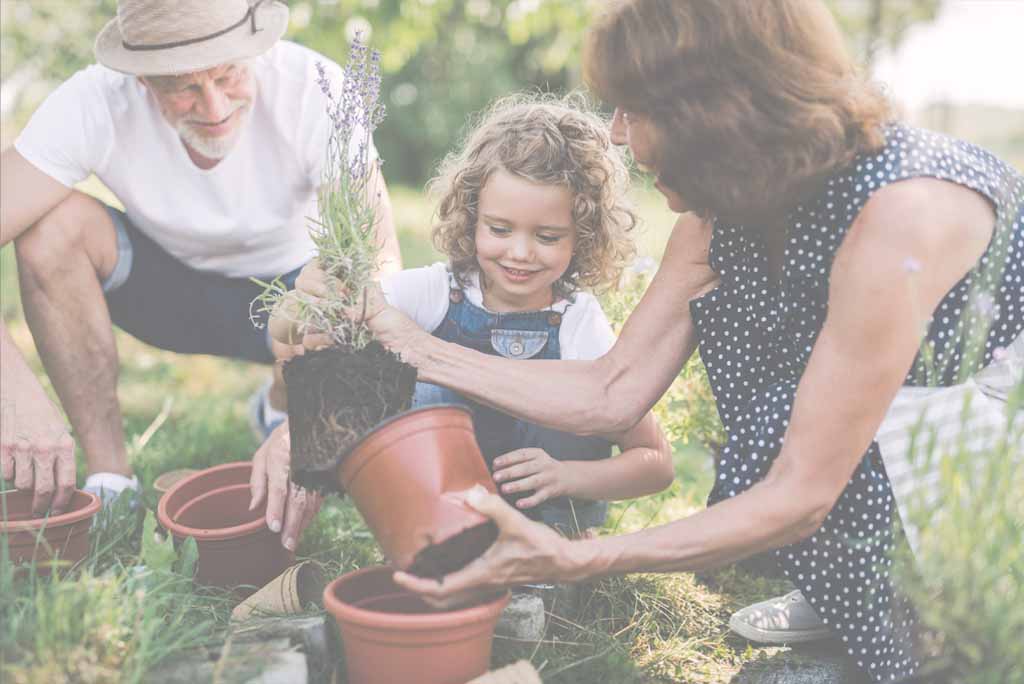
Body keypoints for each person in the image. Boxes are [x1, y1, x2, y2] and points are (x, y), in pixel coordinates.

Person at [296, 2, 1020, 682]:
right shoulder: (726, 211)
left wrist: (581, 557)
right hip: (876, 431)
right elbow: (614, 391)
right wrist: (403, 343)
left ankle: (921, 616)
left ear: (712, 116)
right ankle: (851, 600)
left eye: (634, 111)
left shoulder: (901, 218)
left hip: (982, 463)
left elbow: (801, 491)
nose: (614, 134)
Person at [0, 0, 401, 554]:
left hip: (288, 303)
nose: (213, 106)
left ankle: (279, 412)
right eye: (181, 87)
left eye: (228, 73)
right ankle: (111, 479)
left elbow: (378, 270)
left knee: (335, 287)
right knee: (51, 228)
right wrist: (11, 389)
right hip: (165, 292)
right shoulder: (93, 99)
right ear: (140, 77)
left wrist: (312, 421)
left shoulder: (314, 87)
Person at [269, 96, 675, 536]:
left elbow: (655, 464)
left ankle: (564, 550)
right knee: (414, 388)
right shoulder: (436, 292)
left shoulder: (579, 322)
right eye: (499, 230)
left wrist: (570, 476)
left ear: (583, 235)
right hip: (444, 524)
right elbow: (295, 328)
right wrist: (304, 298)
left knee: (576, 397)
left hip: (546, 534)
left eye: (547, 236)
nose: (520, 253)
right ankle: (427, 538)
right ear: (472, 218)